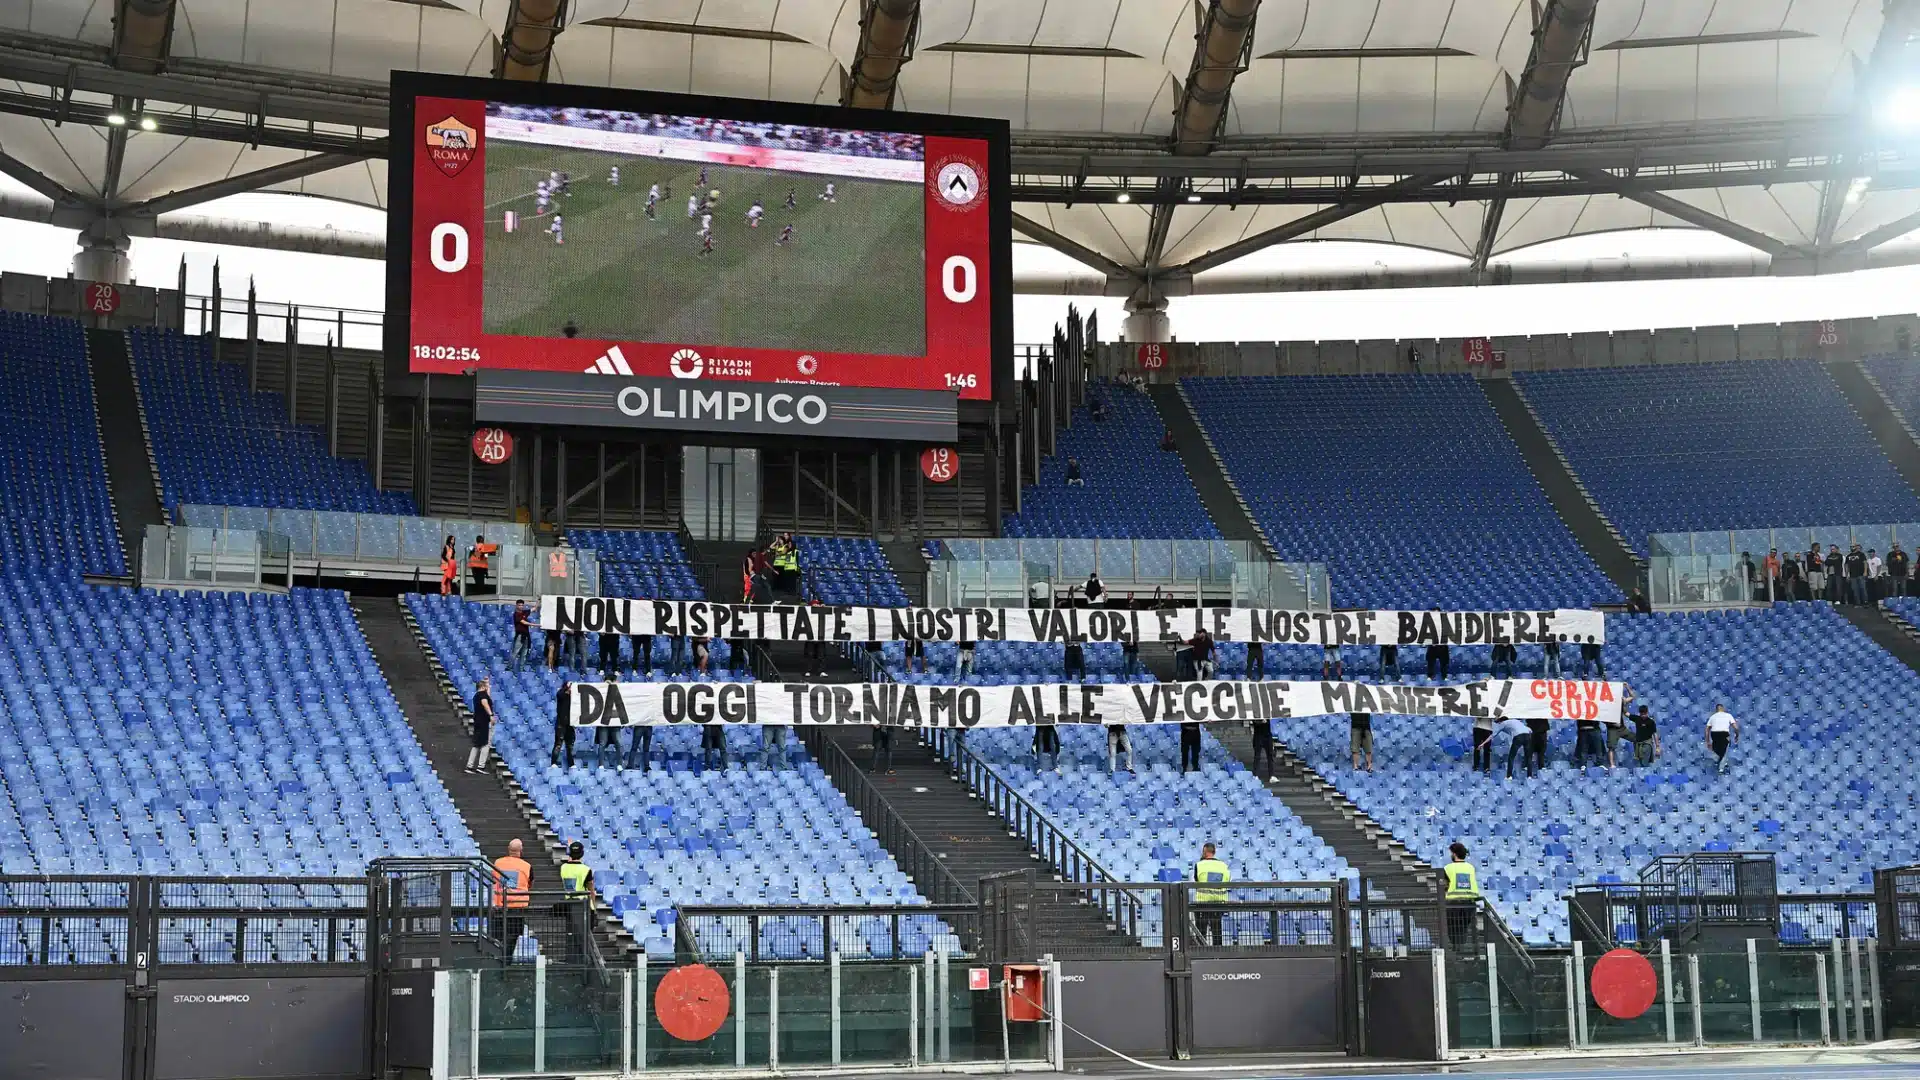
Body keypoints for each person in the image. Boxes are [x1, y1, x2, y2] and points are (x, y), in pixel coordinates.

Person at [557, 840, 594, 963]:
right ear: (582, 853)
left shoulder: (563, 868)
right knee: (583, 936)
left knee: (571, 934)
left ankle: (571, 959)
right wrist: (593, 907)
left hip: (569, 903)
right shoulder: (586, 869)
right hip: (582, 905)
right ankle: (584, 961)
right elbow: (591, 889)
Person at [492, 838, 532, 949]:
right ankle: (507, 960)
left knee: (498, 936)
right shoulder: (527, 866)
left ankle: (498, 960)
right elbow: (530, 883)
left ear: (508, 849)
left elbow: (494, 878)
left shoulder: (497, 862)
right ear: (521, 850)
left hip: (500, 904)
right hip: (518, 906)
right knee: (512, 936)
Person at [1192, 843, 1231, 946]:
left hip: (1202, 903)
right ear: (1214, 852)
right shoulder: (1223, 865)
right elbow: (1227, 880)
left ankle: (1200, 951)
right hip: (1219, 902)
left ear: (1205, 851)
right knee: (1217, 929)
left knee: (1201, 930)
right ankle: (1217, 952)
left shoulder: (1200, 865)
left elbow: (1197, 880)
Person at [1442, 842, 1479, 947]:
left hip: (1454, 904)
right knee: (1463, 929)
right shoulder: (1471, 867)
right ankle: (1461, 950)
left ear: (1454, 854)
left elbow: (1444, 884)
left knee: (1453, 929)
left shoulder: (1448, 868)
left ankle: (1456, 951)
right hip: (1469, 904)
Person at [466, 677, 495, 774]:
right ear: (483, 687)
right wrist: (491, 715)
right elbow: (485, 702)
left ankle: (470, 766)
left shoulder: (477, 695)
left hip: (478, 721)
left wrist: (488, 684)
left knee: (477, 744)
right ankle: (480, 766)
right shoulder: (482, 695)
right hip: (483, 722)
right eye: (486, 686)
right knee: (485, 744)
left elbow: (488, 697)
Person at [593, 673, 622, 766]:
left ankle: (619, 764)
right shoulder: (601, 690)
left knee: (618, 743)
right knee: (602, 744)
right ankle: (601, 765)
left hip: (615, 721)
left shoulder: (620, 690)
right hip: (604, 721)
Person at [1706, 703, 1738, 773]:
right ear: (1723, 709)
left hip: (1714, 734)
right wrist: (1737, 736)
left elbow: (1707, 729)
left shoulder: (1712, 717)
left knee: (1717, 750)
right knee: (1725, 751)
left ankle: (1721, 761)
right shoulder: (1728, 715)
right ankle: (1721, 769)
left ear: (1716, 710)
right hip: (1724, 734)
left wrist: (1708, 741)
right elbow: (1736, 727)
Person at [1497, 715, 1529, 780]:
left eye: (1499, 723)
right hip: (1527, 735)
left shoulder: (1504, 723)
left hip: (1518, 737)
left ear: (1502, 721)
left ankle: (1509, 776)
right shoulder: (1516, 722)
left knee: (1511, 757)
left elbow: (1493, 735)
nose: (1499, 724)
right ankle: (1529, 775)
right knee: (1528, 755)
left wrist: (1483, 743)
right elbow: (1530, 730)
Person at [550, 679, 574, 767]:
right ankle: (553, 762)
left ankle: (571, 763)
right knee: (558, 744)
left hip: (570, 725)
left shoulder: (573, 698)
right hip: (561, 724)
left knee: (570, 746)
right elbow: (559, 694)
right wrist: (566, 687)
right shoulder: (561, 695)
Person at [1248, 717, 1274, 782]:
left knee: (1270, 756)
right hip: (1258, 736)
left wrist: (1265, 721)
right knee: (1257, 757)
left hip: (1268, 736)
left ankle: (1272, 775)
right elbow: (1254, 723)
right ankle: (1255, 775)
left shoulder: (1268, 713)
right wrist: (1261, 721)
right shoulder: (1255, 713)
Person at [509, 600, 533, 671]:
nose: (521, 606)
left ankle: (521, 669)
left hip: (526, 636)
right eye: (519, 605)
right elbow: (524, 622)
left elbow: (534, 609)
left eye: (522, 605)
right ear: (516, 605)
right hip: (520, 636)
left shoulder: (525, 612)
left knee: (524, 654)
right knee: (515, 653)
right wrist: (536, 625)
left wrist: (538, 601)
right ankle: (509, 667)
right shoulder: (516, 614)